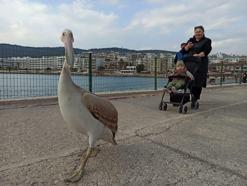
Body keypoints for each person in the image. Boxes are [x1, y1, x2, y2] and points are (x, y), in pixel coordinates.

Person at [181, 25, 212, 107]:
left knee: (198, 82)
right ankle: (185, 97)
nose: (198, 33)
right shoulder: (191, 40)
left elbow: (206, 51)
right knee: (188, 80)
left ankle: (195, 99)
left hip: (200, 63)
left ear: (203, 32)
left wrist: (198, 55)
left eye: (199, 31)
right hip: (189, 63)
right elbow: (183, 51)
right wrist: (187, 46)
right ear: (194, 32)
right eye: (196, 32)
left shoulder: (207, 41)